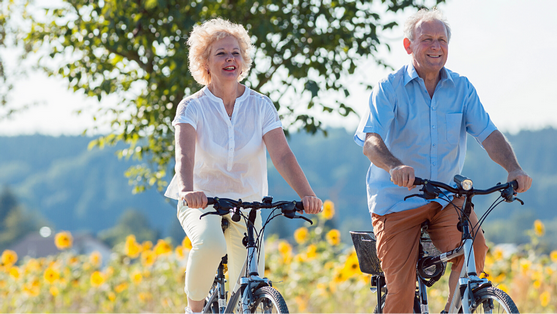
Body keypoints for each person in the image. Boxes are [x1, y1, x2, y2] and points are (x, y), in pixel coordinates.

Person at [354, 8, 533, 314]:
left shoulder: (461, 88)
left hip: (445, 196)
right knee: (399, 293)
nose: (435, 46)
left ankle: (455, 308)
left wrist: (513, 168)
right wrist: (395, 165)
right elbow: (371, 142)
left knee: (473, 251)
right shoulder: (390, 87)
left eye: (441, 40)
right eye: (427, 39)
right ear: (409, 45)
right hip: (397, 202)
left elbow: (488, 134)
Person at [163, 18, 323, 314]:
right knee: (211, 245)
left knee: (248, 282)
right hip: (202, 200)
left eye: (235, 53)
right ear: (205, 61)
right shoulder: (192, 106)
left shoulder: (261, 105)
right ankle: (193, 310)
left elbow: (283, 156)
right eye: (221, 53)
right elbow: (184, 156)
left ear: (244, 60)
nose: (230, 59)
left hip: (248, 203)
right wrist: (188, 190)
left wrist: (306, 194)